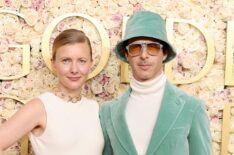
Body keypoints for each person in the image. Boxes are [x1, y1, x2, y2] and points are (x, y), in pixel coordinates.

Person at [99, 11, 212, 155]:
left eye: (152, 47)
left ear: (164, 53)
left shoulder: (192, 108)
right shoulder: (108, 112)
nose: (144, 55)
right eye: (135, 48)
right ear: (127, 54)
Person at [0, 29, 104, 155]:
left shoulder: (94, 108)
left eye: (82, 61)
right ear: (54, 63)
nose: (74, 69)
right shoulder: (40, 107)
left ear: (90, 64)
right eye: (66, 60)